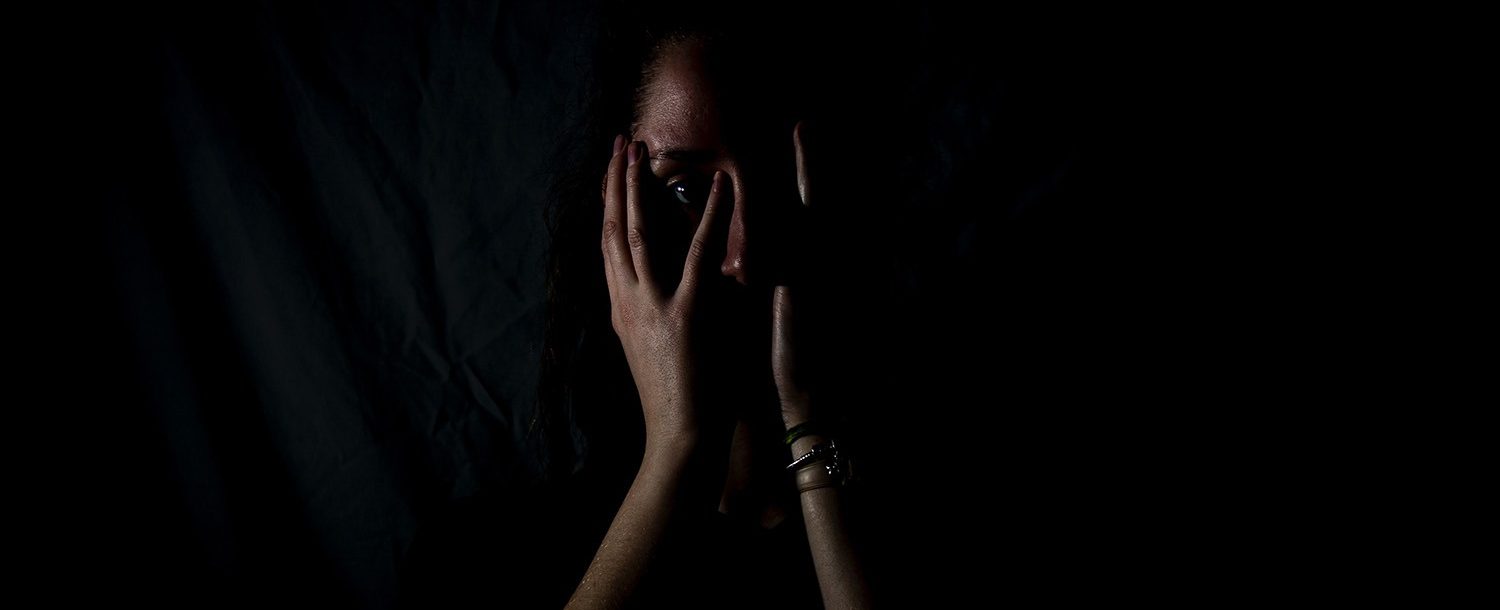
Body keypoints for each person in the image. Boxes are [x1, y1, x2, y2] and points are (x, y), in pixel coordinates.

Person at [532, 3, 876, 609]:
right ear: (612, 215)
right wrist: (678, 447)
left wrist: (806, 416)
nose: (742, 257)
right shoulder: (494, 550)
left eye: (776, 183)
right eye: (687, 190)